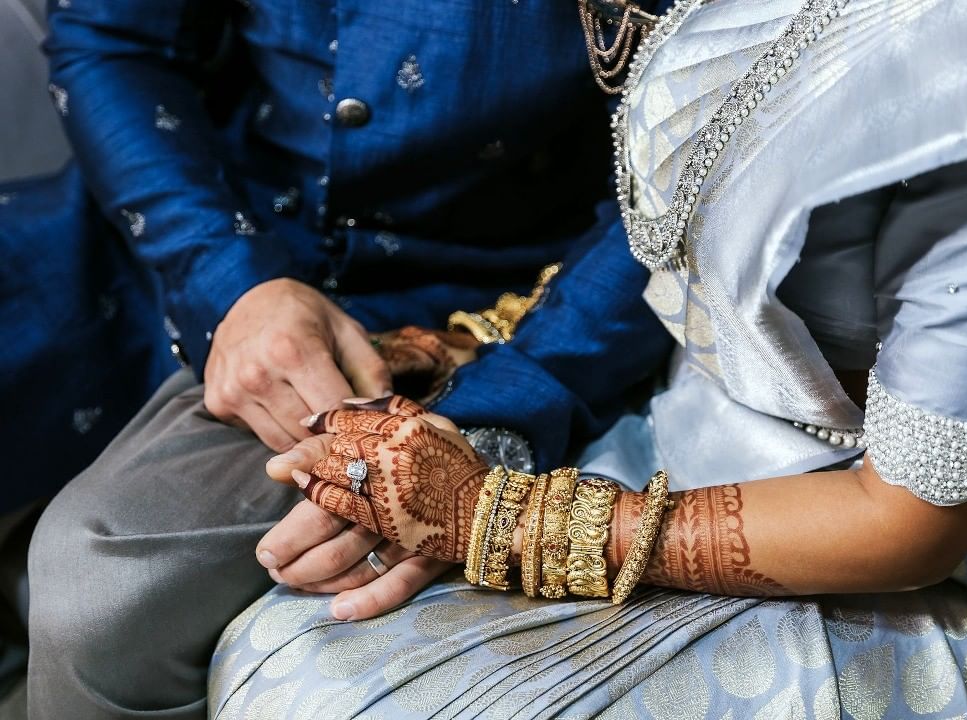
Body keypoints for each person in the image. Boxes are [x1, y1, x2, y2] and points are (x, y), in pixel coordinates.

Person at [208, 0, 967, 717]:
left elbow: (908, 529)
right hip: (685, 427)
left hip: (924, 551)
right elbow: (674, 234)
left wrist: (491, 519)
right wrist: (472, 347)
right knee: (286, 643)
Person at [20, 1, 674, 718]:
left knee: (104, 594)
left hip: (457, 312)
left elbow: (685, 163)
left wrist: (495, 420)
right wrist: (228, 281)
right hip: (183, 214)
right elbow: (111, 38)